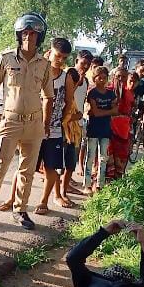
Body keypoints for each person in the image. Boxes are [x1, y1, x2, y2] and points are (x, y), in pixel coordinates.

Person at [0, 11, 54, 230]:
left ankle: (20, 210)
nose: (29, 37)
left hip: (34, 123)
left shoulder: (44, 64)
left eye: (33, 33)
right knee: (1, 165)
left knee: (27, 170)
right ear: (19, 35)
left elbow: (49, 96)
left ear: (40, 37)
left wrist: (46, 124)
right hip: (10, 120)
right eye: (25, 33)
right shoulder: (6, 58)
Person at [34, 38, 73, 214]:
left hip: (54, 130)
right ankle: (14, 200)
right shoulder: (37, 71)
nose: (60, 60)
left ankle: (43, 202)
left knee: (51, 167)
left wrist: (59, 121)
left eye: (64, 58)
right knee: (25, 166)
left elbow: (69, 103)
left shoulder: (66, 77)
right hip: (33, 126)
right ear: (49, 52)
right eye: (58, 56)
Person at [61, 49, 93, 199]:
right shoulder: (67, 76)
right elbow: (63, 99)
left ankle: (66, 185)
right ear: (76, 61)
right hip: (65, 124)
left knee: (71, 161)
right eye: (83, 63)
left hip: (78, 124)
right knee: (62, 162)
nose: (85, 67)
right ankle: (60, 191)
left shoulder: (85, 81)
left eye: (88, 64)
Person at [84, 67, 118, 195]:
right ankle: (87, 184)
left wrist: (101, 112)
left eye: (104, 77)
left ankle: (100, 184)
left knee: (104, 157)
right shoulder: (92, 93)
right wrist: (108, 111)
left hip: (105, 129)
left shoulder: (111, 93)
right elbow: (96, 112)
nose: (102, 80)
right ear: (94, 78)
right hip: (93, 128)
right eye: (99, 77)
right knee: (90, 157)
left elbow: (115, 111)